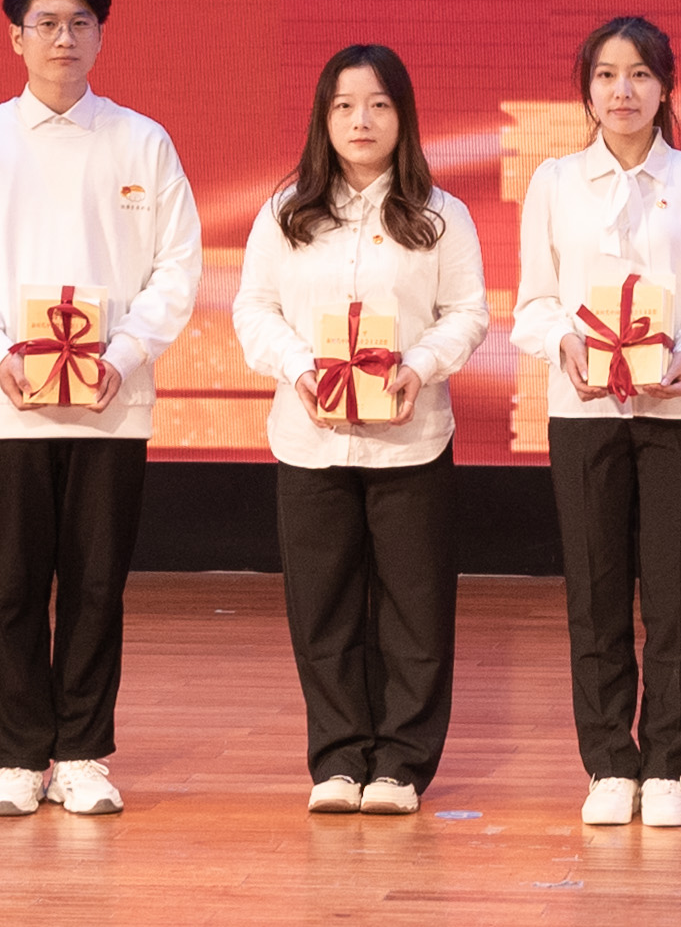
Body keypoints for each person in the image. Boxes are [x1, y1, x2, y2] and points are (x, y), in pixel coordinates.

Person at [0, 0, 205, 819]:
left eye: (79, 22)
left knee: (95, 584)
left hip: (111, 400)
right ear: (15, 37)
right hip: (7, 401)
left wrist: (126, 353)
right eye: (45, 23)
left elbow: (177, 268)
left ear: (101, 35)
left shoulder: (142, 142)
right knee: (11, 585)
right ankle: (16, 755)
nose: (63, 38)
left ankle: (81, 752)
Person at [231, 42, 489, 817]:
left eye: (378, 104)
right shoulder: (286, 214)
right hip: (310, 440)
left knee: (415, 609)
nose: (361, 120)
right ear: (323, 118)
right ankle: (339, 759)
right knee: (323, 606)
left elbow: (468, 313)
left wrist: (420, 364)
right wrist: (298, 367)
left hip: (411, 438)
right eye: (344, 105)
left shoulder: (441, 216)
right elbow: (254, 310)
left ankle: (402, 764)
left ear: (403, 116)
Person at [508, 15, 681, 828]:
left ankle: (668, 765)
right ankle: (610, 762)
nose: (623, 91)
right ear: (586, 91)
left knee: (677, 595)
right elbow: (534, 303)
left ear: (665, 87)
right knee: (596, 588)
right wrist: (564, 342)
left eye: (640, 74)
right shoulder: (555, 182)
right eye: (607, 75)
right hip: (585, 409)